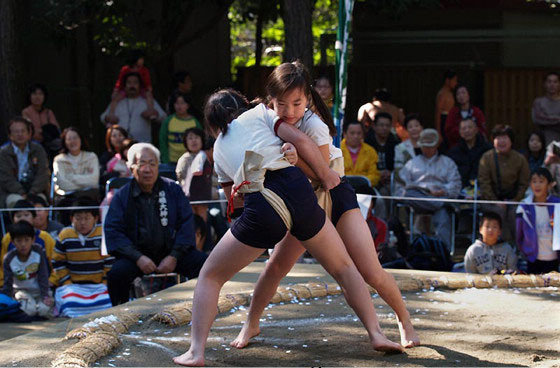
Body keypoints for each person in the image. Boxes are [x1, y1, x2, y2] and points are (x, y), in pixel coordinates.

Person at [173, 88, 403, 367]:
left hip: (263, 204)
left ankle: (196, 351)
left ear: (212, 124)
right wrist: (324, 173)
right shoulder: (260, 114)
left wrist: (248, 233)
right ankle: (376, 333)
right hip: (298, 190)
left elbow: (233, 202)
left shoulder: (219, 148)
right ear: (244, 105)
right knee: (344, 267)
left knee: (210, 275)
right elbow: (300, 140)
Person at [231, 62, 417, 350]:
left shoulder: (315, 126)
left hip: (333, 193)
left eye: (297, 103)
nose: (289, 111)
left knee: (369, 270)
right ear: (271, 100)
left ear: (307, 99)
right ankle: (251, 323)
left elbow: (322, 175)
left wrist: (294, 159)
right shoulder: (265, 120)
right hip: (299, 201)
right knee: (276, 265)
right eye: (282, 103)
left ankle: (402, 320)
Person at [104, 143, 208, 306]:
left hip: (172, 253)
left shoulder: (172, 189)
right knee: (116, 275)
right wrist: (138, 258)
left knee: (205, 264)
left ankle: (201, 307)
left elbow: (187, 223)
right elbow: (113, 231)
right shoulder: (122, 196)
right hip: (136, 257)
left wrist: (174, 255)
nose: (147, 169)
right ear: (132, 168)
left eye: (152, 164)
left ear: (158, 167)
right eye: (142, 163)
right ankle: (120, 317)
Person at [397, 129, 461, 249]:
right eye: (424, 146)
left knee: (444, 217)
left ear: (436, 145)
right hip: (419, 200)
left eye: (430, 146)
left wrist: (444, 190)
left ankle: (444, 253)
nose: (427, 149)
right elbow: (402, 185)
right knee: (408, 194)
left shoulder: (447, 163)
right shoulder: (412, 163)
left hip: (440, 196)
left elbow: (456, 183)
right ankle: (440, 204)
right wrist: (423, 190)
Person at [478, 125, 530, 243]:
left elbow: (524, 183)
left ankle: (519, 247)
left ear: (511, 141)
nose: (501, 141)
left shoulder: (520, 159)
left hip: (514, 200)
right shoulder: (486, 158)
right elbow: (483, 182)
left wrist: (515, 199)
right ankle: (502, 244)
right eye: (498, 138)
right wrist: (495, 200)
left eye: (504, 138)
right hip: (491, 200)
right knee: (498, 212)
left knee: (515, 214)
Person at [52, 199, 114, 285]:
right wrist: (66, 282)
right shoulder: (65, 235)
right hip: (71, 284)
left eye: (87, 218)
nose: (83, 222)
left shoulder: (103, 234)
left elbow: (110, 261)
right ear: (71, 219)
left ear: (95, 218)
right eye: (78, 218)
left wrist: (105, 281)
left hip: (100, 284)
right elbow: (57, 262)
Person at [1, 221, 54, 318]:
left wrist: (45, 295)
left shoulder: (38, 252)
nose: (23, 244)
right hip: (22, 291)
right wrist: (7, 300)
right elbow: (8, 281)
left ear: (33, 240)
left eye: (26, 240)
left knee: (44, 310)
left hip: (39, 290)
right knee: (29, 310)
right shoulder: (9, 258)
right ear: (13, 242)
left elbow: (43, 275)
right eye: (19, 241)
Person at [0, 200, 57, 288]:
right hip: (14, 286)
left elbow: (55, 262)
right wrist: (3, 283)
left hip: (42, 284)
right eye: (18, 216)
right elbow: (2, 265)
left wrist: (52, 280)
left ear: (33, 217)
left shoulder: (45, 237)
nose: (22, 218)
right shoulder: (7, 238)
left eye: (26, 215)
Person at [516, 167, 560, 274]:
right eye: (534, 181)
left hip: (554, 258)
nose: (537, 185)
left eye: (541, 181)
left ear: (549, 185)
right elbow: (519, 235)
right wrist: (527, 251)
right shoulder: (524, 207)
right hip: (533, 258)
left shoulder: (557, 205)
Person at [100, 72, 166, 143]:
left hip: (142, 144)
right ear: (125, 86)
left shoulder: (147, 101)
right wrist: (108, 118)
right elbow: (103, 117)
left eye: (135, 83)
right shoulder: (117, 101)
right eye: (129, 83)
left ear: (140, 86)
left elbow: (164, 117)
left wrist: (155, 114)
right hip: (121, 145)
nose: (132, 85)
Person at [0, 117, 50, 208]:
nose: (20, 134)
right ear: (10, 135)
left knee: (39, 204)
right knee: (16, 203)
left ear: (29, 133)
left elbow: (43, 173)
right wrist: (21, 193)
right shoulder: (3, 153)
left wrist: (32, 192)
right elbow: (5, 178)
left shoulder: (38, 149)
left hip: (36, 191)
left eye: (23, 131)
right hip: (11, 192)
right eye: (16, 132)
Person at [365, 111, 400, 218]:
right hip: (371, 178)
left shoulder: (395, 143)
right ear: (374, 126)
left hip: (390, 179)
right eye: (381, 125)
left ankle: (390, 223)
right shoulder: (367, 142)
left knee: (391, 193)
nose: (384, 128)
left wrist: (391, 173)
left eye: (387, 125)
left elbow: (398, 165)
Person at [176, 128, 212, 222]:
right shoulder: (184, 159)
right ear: (185, 142)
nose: (193, 141)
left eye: (196, 137)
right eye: (190, 138)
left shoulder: (206, 156)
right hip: (189, 198)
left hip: (203, 197)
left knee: (203, 223)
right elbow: (180, 176)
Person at [53, 127, 100, 198]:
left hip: (89, 197)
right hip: (67, 198)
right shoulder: (59, 160)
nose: (73, 141)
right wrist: (84, 184)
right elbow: (62, 184)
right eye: (69, 139)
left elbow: (94, 181)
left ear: (81, 139)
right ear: (64, 142)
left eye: (75, 138)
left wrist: (71, 177)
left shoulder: (91, 157)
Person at [447, 118, 493, 191]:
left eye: (470, 127)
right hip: (460, 191)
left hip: (483, 190)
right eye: (463, 128)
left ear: (476, 130)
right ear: (460, 132)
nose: (467, 130)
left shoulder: (488, 149)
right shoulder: (454, 152)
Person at [21, 83, 62, 162]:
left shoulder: (48, 112)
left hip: (50, 142)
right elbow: (29, 129)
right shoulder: (26, 112)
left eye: (40, 94)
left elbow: (56, 128)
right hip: (34, 142)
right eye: (34, 94)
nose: (37, 97)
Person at [108, 50, 155, 118]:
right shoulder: (125, 69)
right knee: (115, 98)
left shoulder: (144, 70)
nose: (142, 61)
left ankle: (151, 111)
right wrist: (116, 90)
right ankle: (111, 114)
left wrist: (148, 88)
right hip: (126, 89)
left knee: (149, 96)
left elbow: (147, 82)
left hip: (141, 89)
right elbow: (120, 80)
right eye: (141, 59)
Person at [159, 92, 203, 164]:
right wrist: (165, 160)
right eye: (177, 103)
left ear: (188, 105)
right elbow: (162, 141)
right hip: (171, 161)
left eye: (182, 103)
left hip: (190, 161)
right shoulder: (168, 121)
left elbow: (201, 141)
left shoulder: (194, 122)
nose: (179, 106)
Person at [444, 85, 487, 149]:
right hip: (457, 146)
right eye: (458, 94)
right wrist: (462, 132)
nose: (461, 96)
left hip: (476, 146)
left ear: (468, 95)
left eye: (463, 93)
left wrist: (472, 132)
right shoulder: (452, 112)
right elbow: (448, 131)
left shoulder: (477, 112)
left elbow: (482, 130)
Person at [340, 120, 380, 187]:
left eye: (359, 133)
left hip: (364, 189)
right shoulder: (337, 149)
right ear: (345, 134)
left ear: (363, 135)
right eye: (352, 133)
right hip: (342, 188)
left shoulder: (370, 151)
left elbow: (375, 174)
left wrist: (363, 182)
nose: (356, 136)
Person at [394, 113, 424, 182]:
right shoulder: (400, 148)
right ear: (406, 130)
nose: (414, 129)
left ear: (422, 127)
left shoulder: (429, 145)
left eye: (416, 126)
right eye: (410, 127)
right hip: (407, 183)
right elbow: (398, 169)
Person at [532, 72, 560, 145]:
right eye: (549, 82)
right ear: (545, 84)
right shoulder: (538, 102)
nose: (552, 85)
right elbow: (537, 119)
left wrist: (547, 122)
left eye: (555, 82)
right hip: (542, 142)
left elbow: (544, 120)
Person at [435, 69, 458, 143]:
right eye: (454, 80)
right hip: (444, 121)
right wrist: (438, 132)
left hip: (450, 120)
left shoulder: (450, 93)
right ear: (448, 80)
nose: (455, 83)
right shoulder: (442, 94)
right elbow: (438, 113)